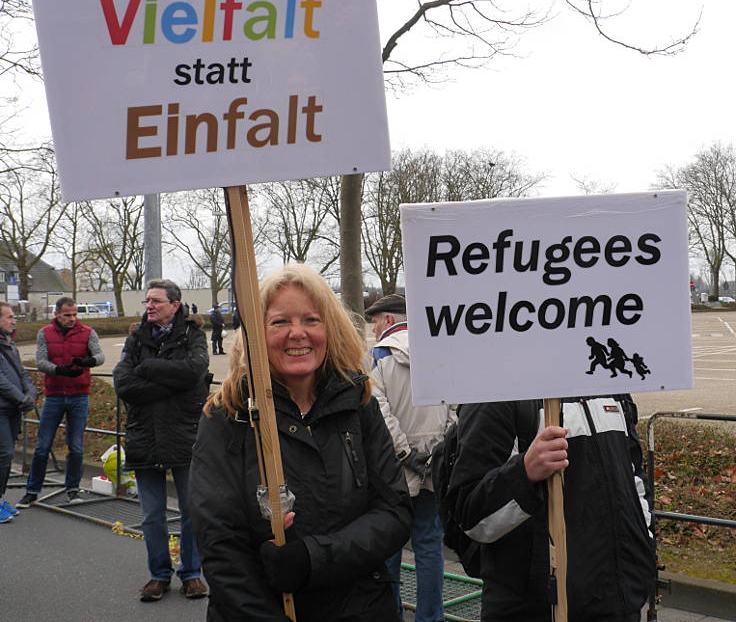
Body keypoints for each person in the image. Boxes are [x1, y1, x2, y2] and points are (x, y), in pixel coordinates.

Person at [190, 263, 412, 622]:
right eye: (280, 322)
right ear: (257, 333)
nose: (298, 334)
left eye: (311, 320)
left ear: (331, 328)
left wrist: (313, 557)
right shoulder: (229, 416)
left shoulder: (359, 403)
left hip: (363, 609)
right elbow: (219, 544)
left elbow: (394, 512)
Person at [449, 395, 655, 621]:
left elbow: (634, 478)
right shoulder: (497, 393)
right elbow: (471, 516)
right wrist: (524, 473)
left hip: (620, 604)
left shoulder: (608, 383)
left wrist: (643, 544)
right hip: (535, 609)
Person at [113, 279, 209, 602]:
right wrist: (170, 382)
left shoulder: (192, 335)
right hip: (145, 435)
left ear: (175, 305)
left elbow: (195, 374)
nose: (149, 306)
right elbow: (123, 383)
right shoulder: (136, 338)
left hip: (184, 435)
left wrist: (150, 368)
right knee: (151, 514)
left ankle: (192, 574)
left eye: (155, 301)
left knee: (191, 510)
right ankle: (159, 575)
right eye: (147, 301)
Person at [366, 293, 455, 622]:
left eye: (375, 321)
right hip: (435, 465)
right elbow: (455, 407)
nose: (373, 328)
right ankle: (431, 618)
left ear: (388, 320)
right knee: (429, 545)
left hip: (392, 471)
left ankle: (390, 614)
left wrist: (405, 453)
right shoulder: (439, 352)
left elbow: (379, 413)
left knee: (388, 547)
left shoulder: (377, 357)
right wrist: (439, 450)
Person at [17, 297, 104, 507]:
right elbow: (41, 361)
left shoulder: (88, 332)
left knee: (76, 446)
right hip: (54, 394)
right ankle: (32, 490)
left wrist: (88, 361)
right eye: (67, 315)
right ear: (57, 314)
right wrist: (58, 370)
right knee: (42, 445)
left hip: (79, 395)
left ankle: (72, 489)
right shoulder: (45, 333)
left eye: (75, 314)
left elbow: (100, 355)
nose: (72, 319)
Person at [0, 302, 36, 522]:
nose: (14, 321)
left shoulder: (9, 344)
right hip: (2, 409)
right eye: (10, 317)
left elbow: (22, 373)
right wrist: (20, 397)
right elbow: (1, 381)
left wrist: (30, 393)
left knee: (6, 455)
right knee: (4, 454)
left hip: (13, 408)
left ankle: (1, 498)